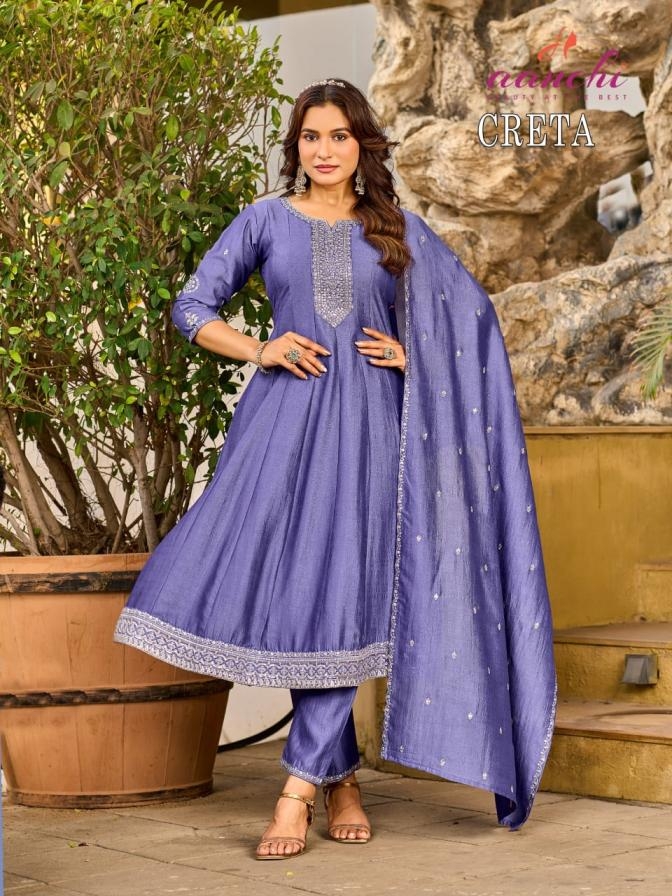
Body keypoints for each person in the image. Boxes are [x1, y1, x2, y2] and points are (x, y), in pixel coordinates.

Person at [114, 78, 557, 860]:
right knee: (303, 592)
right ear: (296, 146)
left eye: (340, 137)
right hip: (284, 427)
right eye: (311, 137)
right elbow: (191, 307)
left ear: (362, 146)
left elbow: (474, 326)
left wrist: (416, 357)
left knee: (345, 587)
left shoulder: (398, 229)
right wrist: (260, 348)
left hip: (376, 432)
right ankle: (341, 776)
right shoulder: (265, 220)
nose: (324, 151)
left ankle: (296, 790)